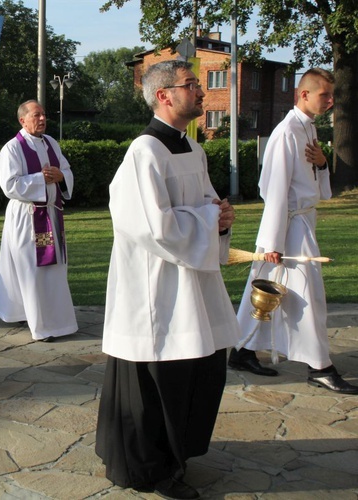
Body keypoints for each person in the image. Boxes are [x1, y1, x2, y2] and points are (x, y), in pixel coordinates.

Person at [95, 60, 240, 500]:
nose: (200, 91)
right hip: (156, 284)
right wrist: (207, 220)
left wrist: (222, 216)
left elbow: (204, 204)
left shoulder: (192, 149)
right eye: (192, 85)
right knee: (157, 375)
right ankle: (149, 467)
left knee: (200, 366)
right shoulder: (145, 151)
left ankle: (177, 455)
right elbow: (149, 226)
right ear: (164, 95)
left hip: (191, 279)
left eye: (197, 84)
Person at [233, 68, 358, 394]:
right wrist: (272, 243)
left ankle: (242, 350)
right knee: (308, 297)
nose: (330, 102)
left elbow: (317, 188)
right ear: (303, 94)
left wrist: (321, 163)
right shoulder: (287, 132)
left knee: (266, 290)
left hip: (301, 223)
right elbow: (273, 190)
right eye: (324, 95)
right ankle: (320, 366)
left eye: (332, 96)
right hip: (288, 228)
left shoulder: (309, 130)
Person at [0, 100, 77, 342]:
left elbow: (66, 171)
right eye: (36, 115)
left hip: (51, 213)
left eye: (44, 115)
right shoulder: (12, 148)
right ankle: (41, 324)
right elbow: (9, 185)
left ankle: (55, 319)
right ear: (23, 120)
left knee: (53, 268)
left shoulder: (51, 143)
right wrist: (42, 179)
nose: (42, 119)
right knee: (31, 269)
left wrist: (60, 176)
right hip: (27, 216)